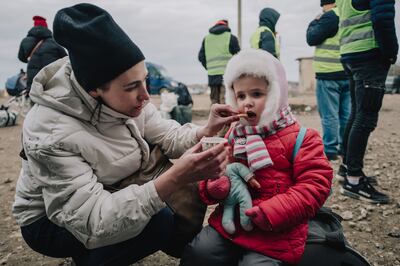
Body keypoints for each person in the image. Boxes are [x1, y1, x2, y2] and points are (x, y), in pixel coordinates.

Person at [12, 4, 240, 265]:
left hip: (108, 184)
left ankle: (176, 245)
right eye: (133, 87)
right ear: (95, 89)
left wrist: (206, 130)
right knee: (158, 219)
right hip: (49, 221)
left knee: (173, 192)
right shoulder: (50, 130)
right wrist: (175, 178)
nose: (145, 95)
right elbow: (90, 218)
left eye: (145, 81)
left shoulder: (128, 99)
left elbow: (167, 135)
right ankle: (90, 259)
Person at [180, 49, 333, 266]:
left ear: (276, 95)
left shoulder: (303, 138)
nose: (247, 103)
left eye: (257, 94)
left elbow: (315, 186)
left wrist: (271, 212)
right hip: (231, 225)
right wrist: (214, 186)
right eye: (240, 96)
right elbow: (220, 172)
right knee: (199, 253)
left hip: (278, 230)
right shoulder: (234, 133)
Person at [336, 0, 398, 203]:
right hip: (369, 55)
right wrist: (390, 52)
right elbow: (382, 18)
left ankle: (346, 169)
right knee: (365, 117)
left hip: (350, 54)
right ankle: (354, 181)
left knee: (357, 113)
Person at [306, 0, 351, 161]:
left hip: (328, 74)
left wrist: (315, 21)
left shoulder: (330, 16)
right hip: (346, 71)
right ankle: (345, 148)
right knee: (345, 114)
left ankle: (330, 150)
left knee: (329, 115)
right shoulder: (346, 13)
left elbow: (311, 38)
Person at [18, 15, 67, 93]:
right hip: (51, 78)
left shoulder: (25, 41)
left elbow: (21, 58)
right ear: (46, 27)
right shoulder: (55, 41)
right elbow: (65, 58)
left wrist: (32, 60)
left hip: (33, 78)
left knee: (35, 99)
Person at [198, 19, 240, 104]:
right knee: (226, 100)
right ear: (226, 26)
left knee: (214, 101)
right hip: (227, 74)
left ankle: (215, 116)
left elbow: (200, 57)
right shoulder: (231, 37)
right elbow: (238, 56)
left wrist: (209, 67)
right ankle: (226, 117)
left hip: (212, 74)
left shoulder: (207, 39)